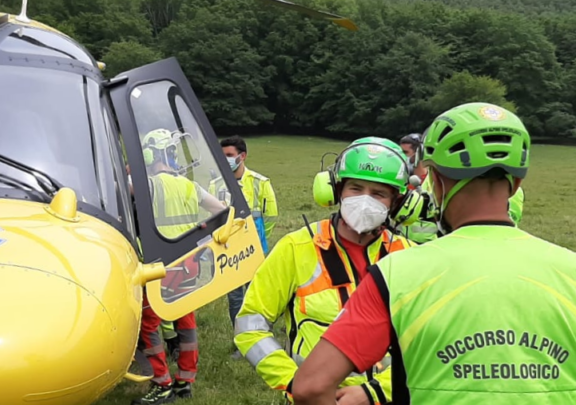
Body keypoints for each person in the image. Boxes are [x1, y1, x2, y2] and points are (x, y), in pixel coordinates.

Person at [292, 102, 576, 405]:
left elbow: (311, 387)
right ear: (516, 184)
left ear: (437, 183)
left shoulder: (396, 273)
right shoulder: (570, 269)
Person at [234, 136, 420, 404]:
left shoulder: (411, 256)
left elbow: (432, 342)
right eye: (356, 188)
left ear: (397, 202)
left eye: (378, 193)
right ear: (335, 191)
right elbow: (250, 324)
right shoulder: (295, 248)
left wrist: (376, 392)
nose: (365, 200)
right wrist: (298, 383)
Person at [133, 128, 224, 405]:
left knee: (148, 325)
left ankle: (162, 384)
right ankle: (186, 380)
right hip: (188, 265)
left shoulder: (148, 184)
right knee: (185, 321)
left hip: (161, 267)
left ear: (149, 154)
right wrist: (202, 234)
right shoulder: (188, 185)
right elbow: (221, 210)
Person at [209, 135, 279, 358]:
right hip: (229, 251)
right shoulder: (215, 184)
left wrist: (259, 244)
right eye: (222, 156)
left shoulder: (260, 183)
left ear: (242, 156)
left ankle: (260, 338)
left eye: (229, 155)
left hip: (255, 250)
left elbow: (271, 217)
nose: (225, 160)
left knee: (256, 297)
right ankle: (241, 342)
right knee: (235, 298)